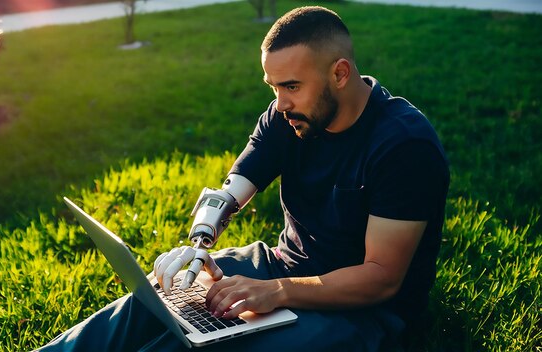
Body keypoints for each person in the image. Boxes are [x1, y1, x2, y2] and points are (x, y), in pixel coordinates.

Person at [37, 6, 449, 351]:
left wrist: (278, 291)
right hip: (278, 266)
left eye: (291, 86)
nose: (280, 103)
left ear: (340, 73)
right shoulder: (288, 116)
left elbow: (381, 279)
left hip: (363, 312)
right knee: (152, 305)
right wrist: (198, 245)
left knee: (210, 345)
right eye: (273, 87)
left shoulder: (404, 146)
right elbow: (231, 192)